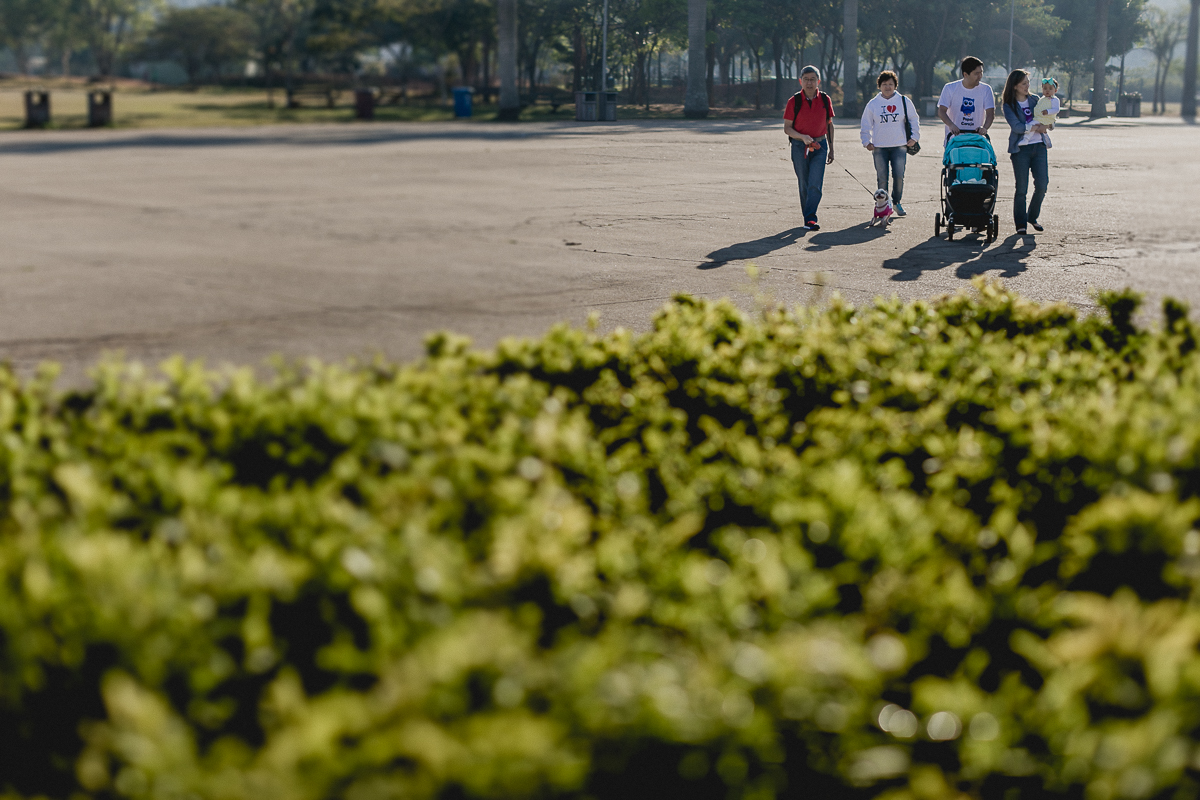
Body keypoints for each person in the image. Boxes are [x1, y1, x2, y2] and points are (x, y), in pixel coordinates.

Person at [860, 70, 920, 217]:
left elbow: (913, 118)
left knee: (899, 175)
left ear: (895, 86)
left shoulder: (904, 101)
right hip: (879, 147)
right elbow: (865, 123)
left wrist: (915, 137)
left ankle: (897, 202)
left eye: (890, 84)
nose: (887, 87)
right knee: (882, 176)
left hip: (900, 145)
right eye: (884, 84)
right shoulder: (873, 104)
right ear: (879, 86)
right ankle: (883, 206)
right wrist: (866, 141)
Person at [784, 66, 836, 231]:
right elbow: (787, 128)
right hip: (800, 147)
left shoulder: (825, 100)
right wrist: (802, 137)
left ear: (818, 81)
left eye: (812, 79)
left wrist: (832, 148)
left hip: (820, 146)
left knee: (815, 183)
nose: (809, 82)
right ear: (801, 81)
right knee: (804, 183)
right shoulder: (794, 101)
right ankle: (807, 217)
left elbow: (829, 125)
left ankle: (810, 218)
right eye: (806, 79)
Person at [1001, 68, 1052, 234]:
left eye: (1028, 82)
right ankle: (1020, 224)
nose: (1027, 86)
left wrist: (1048, 125)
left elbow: (1048, 117)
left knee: (1042, 185)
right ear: (1015, 86)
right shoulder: (1009, 105)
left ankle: (1032, 216)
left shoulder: (1035, 99)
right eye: (1023, 83)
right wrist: (1035, 127)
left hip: (1040, 147)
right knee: (1021, 188)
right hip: (1020, 150)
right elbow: (1016, 127)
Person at [937, 56, 995, 142]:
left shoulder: (986, 89)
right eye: (976, 73)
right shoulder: (950, 88)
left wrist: (985, 128)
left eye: (981, 73)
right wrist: (951, 125)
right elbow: (941, 111)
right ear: (965, 74)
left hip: (976, 139)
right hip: (954, 139)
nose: (980, 76)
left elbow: (990, 113)